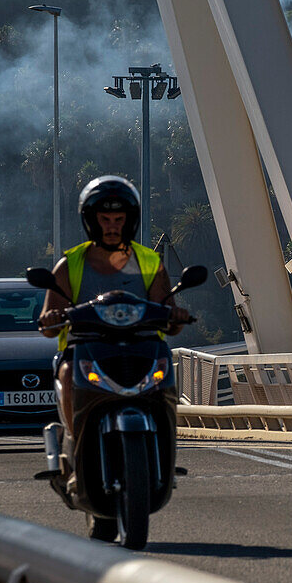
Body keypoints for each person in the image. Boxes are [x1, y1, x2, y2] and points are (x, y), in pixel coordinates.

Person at [37, 176, 189, 450]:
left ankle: (165, 444)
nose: (112, 227)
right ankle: (76, 446)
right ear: (91, 221)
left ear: (129, 220)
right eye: (105, 220)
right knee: (68, 374)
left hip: (143, 350)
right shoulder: (69, 264)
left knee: (165, 382)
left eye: (118, 220)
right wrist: (51, 318)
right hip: (85, 352)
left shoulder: (150, 262)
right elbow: (48, 325)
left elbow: (170, 319)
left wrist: (176, 317)